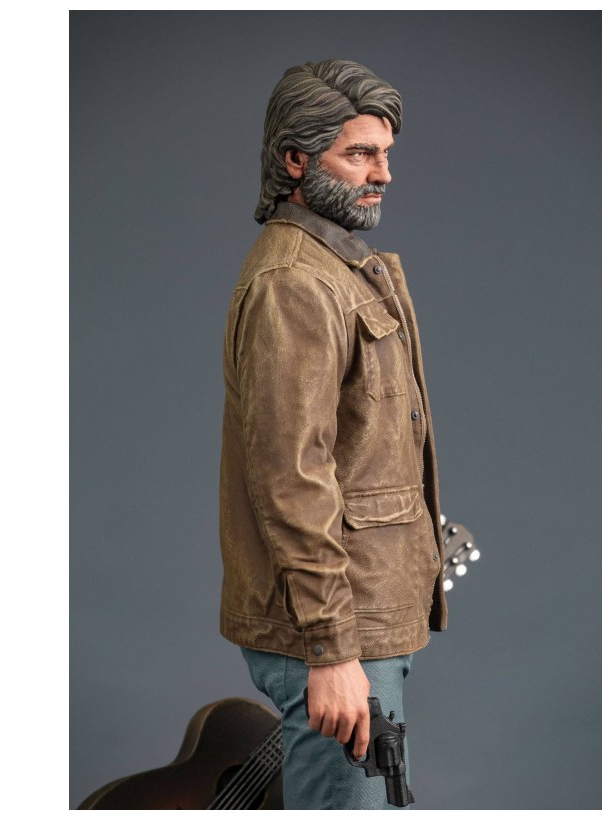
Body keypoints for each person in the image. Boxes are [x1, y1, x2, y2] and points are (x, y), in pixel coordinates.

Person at [218, 59, 447, 810]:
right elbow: (291, 475)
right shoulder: (296, 282)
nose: (383, 174)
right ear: (295, 159)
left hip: (363, 617)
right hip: (333, 632)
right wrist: (329, 648)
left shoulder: (340, 266)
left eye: (386, 154)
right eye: (360, 154)